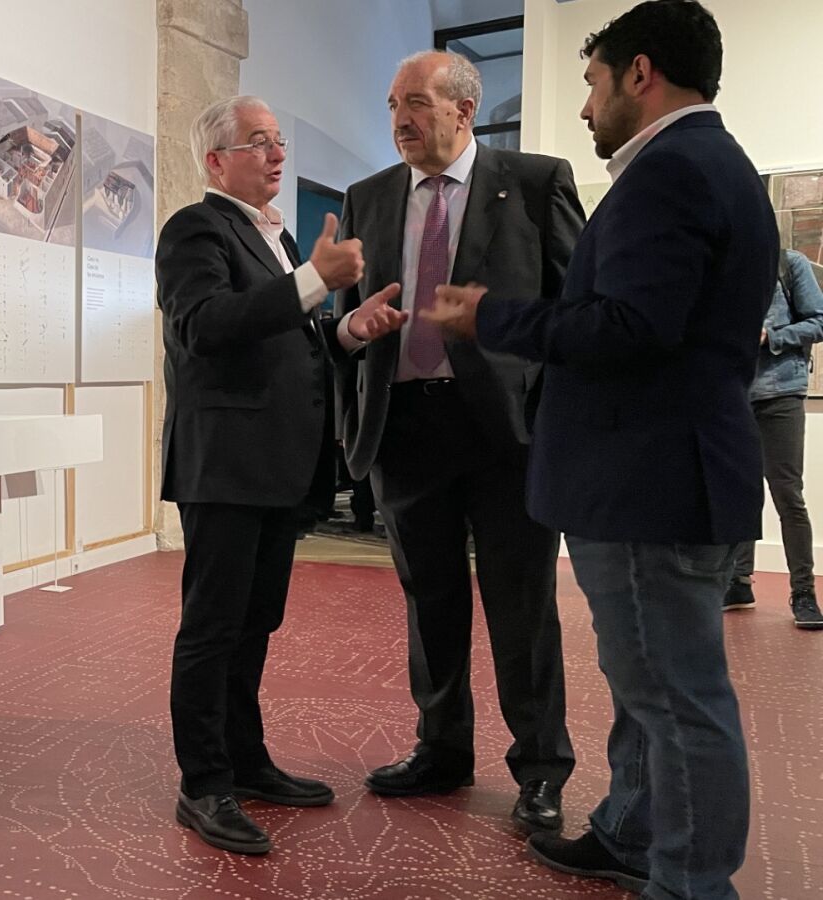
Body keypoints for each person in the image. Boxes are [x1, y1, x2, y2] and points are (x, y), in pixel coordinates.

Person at [424, 2, 778, 896]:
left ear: (640, 73)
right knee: (649, 683)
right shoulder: (713, 164)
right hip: (669, 472)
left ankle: (691, 882)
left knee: (674, 699)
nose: (585, 107)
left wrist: (492, 316)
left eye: (591, 83)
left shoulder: (672, 172)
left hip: (647, 479)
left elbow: (629, 327)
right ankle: (631, 831)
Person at [332, 50, 583, 833]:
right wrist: (352, 329)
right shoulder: (369, 197)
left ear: (463, 110)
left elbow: (576, 312)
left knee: (521, 604)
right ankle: (440, 749)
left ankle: (540, 766)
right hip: (406, 428)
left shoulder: (534, 183)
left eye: (415, 102)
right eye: (392, 104)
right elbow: (347, 315)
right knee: (429, 600)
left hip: (507, 433)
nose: (400, 119)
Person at [156, 95, 406, 856]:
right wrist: (312, 281)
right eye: (258, 141)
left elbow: (284, 343)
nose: (276, 154)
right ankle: (204, 783)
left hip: (273, 465)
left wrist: (348, 330)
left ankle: (245, 759)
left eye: (277, 141)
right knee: (213, 628)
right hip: (225, 465)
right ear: (215, 161)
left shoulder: (276, 236)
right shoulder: (195, 229)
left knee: (255, 621)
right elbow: (205, 326)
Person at [724, 248, 823, 629]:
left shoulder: (789, 264)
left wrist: (772, 335)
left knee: (787, 495)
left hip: (781, 393)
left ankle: (804, 593)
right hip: (733, 394)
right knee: (739, 494)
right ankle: (738, 582)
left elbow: (819, 320)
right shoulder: (725, 266)